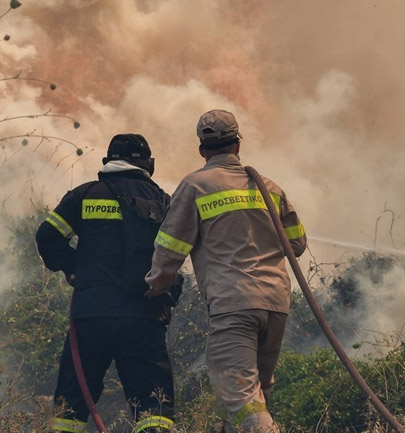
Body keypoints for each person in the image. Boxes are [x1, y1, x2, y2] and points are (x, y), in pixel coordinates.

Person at [145, 110, 307, 433]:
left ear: (202, 150)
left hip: (233, 307)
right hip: (275, 306)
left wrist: (155, 288)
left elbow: (170, 248)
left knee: (242, 402)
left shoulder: (196, 186)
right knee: (254, 399)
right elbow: (298, 244)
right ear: (237, 145)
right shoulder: (270, 189)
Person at [36, 133, 182, 433]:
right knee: (153, 408)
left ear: (108, 161)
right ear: (147, 164)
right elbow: (175, 257)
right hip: (142, 318)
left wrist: (75, 268)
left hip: (90, 315)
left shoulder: (84, 195)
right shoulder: (163, 202)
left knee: (70, 406)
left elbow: (48, 237)